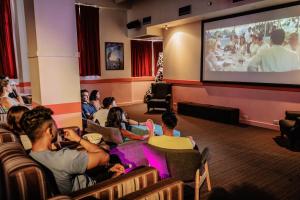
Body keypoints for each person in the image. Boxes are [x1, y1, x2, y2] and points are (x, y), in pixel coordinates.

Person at [20, 106, 125, 194]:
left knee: (112, 166)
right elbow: (105, 157)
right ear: (50, 131)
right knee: (123, 167)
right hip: (91, 191)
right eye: (55, 125)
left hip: (79, 182)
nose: (58, 128)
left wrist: (109, 170)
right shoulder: (64, 158)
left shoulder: (29, 155)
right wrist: (77, 139)